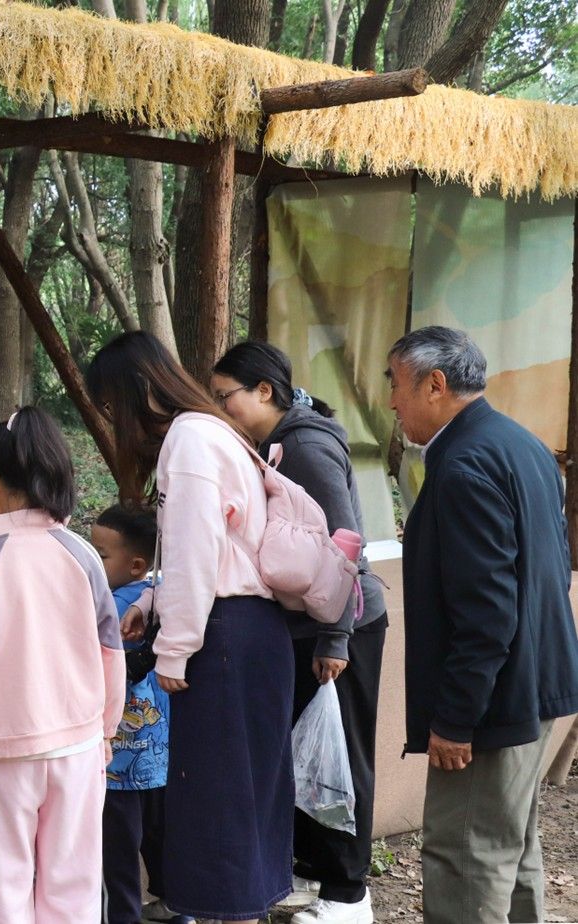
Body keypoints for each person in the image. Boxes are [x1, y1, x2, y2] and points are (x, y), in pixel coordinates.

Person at [86, 331, 294, 924]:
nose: (113, 420)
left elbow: (199, 554)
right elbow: (207, 549)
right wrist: (153, 600)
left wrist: (173, 650)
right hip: (245, 631)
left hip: (225, 636)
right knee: (240, 807)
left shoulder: (189, 438)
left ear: (138, 391)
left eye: (112, 405)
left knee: (221, 809)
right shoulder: (212, 431)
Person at [387, 326, 578, 923]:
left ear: (434, 384)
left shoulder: (464, 465)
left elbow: (487, 612)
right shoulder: (521, 444)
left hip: (493, 700)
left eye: (395, 384)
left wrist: (456, 718)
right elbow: (547, 572)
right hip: (535, 681)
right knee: (510, 846)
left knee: (467, 857)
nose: (391, 401)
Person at [212, 341, 387, 924]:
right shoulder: (273, 444)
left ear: (264, 391)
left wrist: (336, 638)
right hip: (305, 624)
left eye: (226, 397)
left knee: (340, 758)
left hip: (342, 625)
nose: (221, 409)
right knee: (306, 754)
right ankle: (315, 877)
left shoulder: (306, 447)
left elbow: (346, 542)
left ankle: (348, 895)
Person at [0, 406, 124, 921]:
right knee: (74, 881)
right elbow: (111, 654)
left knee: (4, 881)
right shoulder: (83, 554)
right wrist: (106, 730)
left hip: (8, 754)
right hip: (81, 747)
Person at [90, 504, 191, 924]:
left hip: (117, 763)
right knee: (161, 839)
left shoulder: (107, 607)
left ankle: (123, 917)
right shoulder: (167, 596)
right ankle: (178, 909)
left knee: (116, 852)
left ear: (135, 564)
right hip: (161, 755)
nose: (91, 562)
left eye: (100, 555)